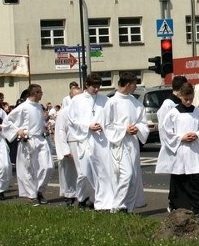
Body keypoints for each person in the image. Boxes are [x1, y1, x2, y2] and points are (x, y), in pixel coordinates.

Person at [156, 82, 199, 219]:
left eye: (190, 99)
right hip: (180, 151)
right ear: (180, 96)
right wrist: (181, 137)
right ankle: (181, 210)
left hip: (196, 152)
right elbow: (166, 132)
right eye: (185, 99)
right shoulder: (173, 113)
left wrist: (197, 135)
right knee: (181, 181)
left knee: (198, 181)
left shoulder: (198, 112)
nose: (188, 102)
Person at [103, 71, 148, 213]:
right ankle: (117, 207)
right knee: (126, 174)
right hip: (119, 143)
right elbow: (107, 125)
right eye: (134, 84)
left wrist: (138, 128)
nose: (136, 87)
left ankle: (128, 208)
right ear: (128, 85)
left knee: (134, 177)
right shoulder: (111, 102)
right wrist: (124, 130)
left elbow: (143, 121)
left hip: (133, 143)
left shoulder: (135, 102)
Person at [67, 72, 111, 210]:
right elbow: (72, 121)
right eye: (94, 86)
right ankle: (82, 197)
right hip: (84, 139)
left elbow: (110, 117)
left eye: (98, 86)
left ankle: (97, 200)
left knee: (101, 172)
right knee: (85, 173)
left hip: (101, 140)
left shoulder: (105, 100)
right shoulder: (77, 100)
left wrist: (102, 126)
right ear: (86, 85)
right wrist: (87, 126)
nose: (96, 89)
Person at [9, 83, 54, 205]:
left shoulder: (39, 107)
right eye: (40, 92)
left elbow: (37, 122)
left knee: (47, 166)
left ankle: (39, 190)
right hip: (28, 141)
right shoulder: (22, 107)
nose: (42, 94)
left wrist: (45, 126)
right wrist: (18, 131)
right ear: (34, 93)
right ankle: (31, 195)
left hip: (40, 140)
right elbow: (8, 121)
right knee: (27, 169)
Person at [155, 76, 185, 211]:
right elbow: (164, 126)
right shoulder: (168, 104)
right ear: (179, 89)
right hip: (173, 144)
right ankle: (173, 202)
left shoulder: (179, 102)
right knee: (176, 175)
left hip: (182, 143)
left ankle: (182, 201)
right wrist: (171, 142)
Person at [55, 82, 82, 206]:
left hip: (83, 144)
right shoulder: (64, 112)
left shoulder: (84, 110)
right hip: (70, 143)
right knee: (69, 172)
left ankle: (83, 196)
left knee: (82, 172)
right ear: (71, 97)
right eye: (76, 96)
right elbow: (60, 131)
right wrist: (65, 150)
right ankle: (69, 195)